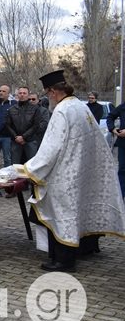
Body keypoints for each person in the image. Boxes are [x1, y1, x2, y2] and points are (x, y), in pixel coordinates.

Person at [24, 70, 125, 272]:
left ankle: (63, 261)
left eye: (47, 93)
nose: (47, 98)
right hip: (82, 169)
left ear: (53, 92)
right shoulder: (79, 106)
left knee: (62, 214)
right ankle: (86, 248)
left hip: (65, 175)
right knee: (79, 210)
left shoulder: (62, 111)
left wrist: (29, 170)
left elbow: (51, 148)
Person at [5, 86, 49, 164]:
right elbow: (8, 125)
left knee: (32, 166)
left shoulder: (35, 109)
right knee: (15, 166)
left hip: (30, 141)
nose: (22, 95)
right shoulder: (12, 109)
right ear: (17, 95)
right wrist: (16, 137)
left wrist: (24, 137)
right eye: (20, 93)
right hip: (16, 142)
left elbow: (36, 125)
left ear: (28, 95)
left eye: (24, 93)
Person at [0, 85, 16, 167]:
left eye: (4, 91)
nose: (1, 93)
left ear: (8, 93)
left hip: (8, 136)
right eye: (0, 91)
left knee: (7, 158)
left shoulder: (13, 104)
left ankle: (8, 175)